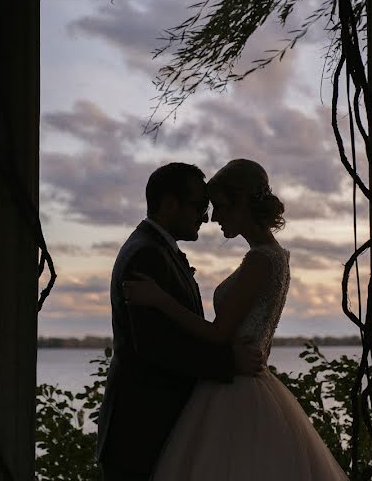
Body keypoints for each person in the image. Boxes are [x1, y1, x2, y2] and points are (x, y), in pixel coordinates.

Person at [122, 159, 349, 480]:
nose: (213, 217)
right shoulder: (277, 256)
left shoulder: (260, 260)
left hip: (236, 391)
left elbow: (217, 334)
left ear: (241, 202)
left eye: (220, 206)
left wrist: (160, 299)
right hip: (247, 380)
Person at [96, 162, 265, 481]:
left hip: (155, 429)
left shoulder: (156, 250)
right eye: (199, 206)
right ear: (170, 204)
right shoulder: (145, 255)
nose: (205, 216)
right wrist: (230, 362)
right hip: (142, 432)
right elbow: (156, 347)